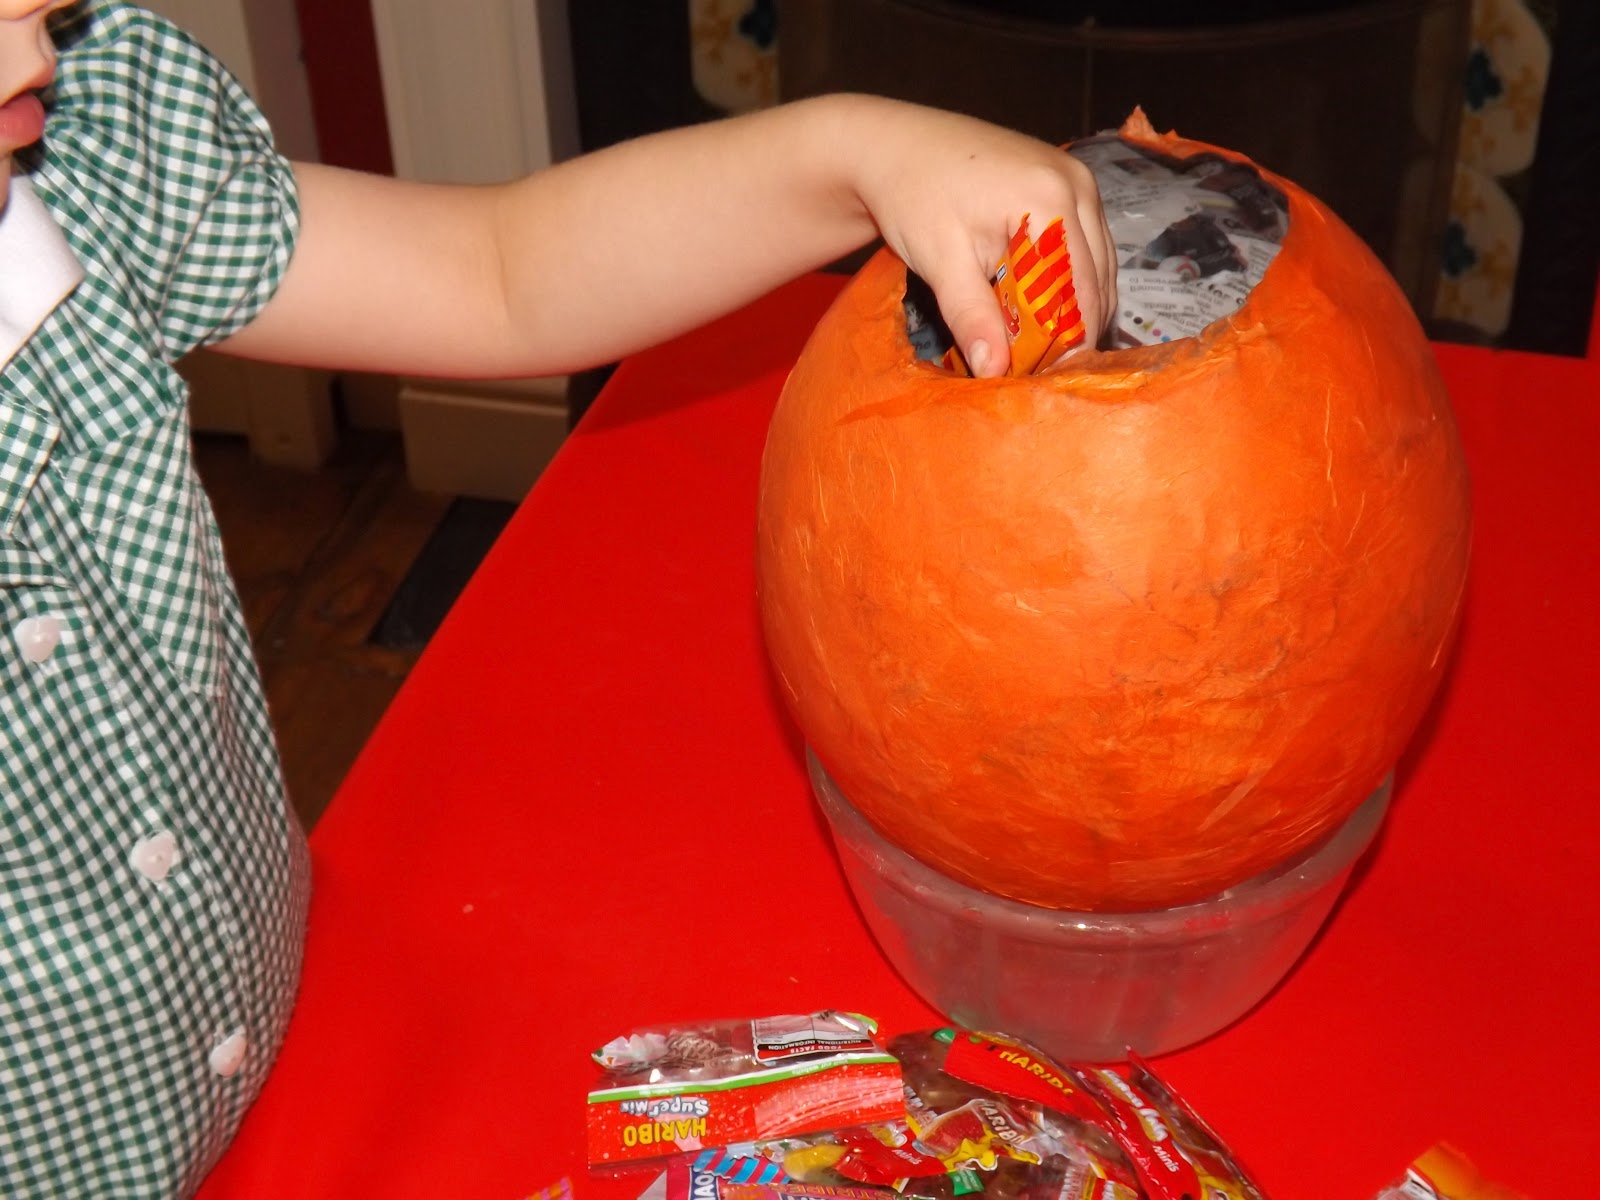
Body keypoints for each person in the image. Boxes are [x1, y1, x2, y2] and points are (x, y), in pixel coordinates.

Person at [0, 0, 1116, 1194]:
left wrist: (856, 154)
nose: (42, 18)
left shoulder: (83, 143)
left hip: (279, 1016)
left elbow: (497, 273)